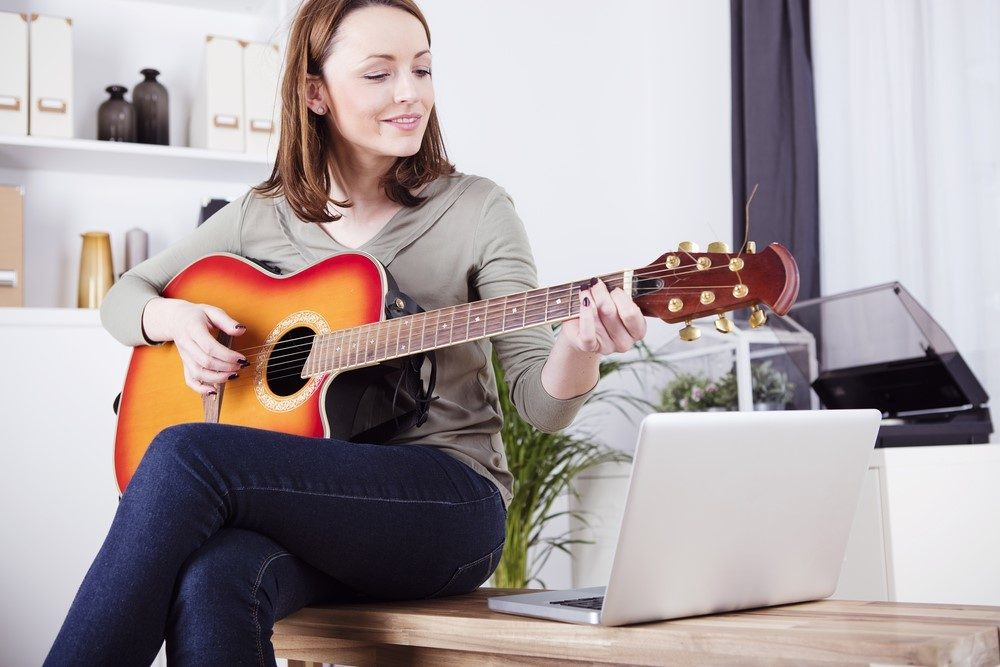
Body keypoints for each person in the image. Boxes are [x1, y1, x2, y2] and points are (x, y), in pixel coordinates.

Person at [45, 0, 647, 664]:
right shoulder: (262, 215)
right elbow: (123, 297)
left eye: (421, 68)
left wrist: (580, 347)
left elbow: (541, 403)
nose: (410, 94)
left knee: (190, 455)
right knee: (214, 575)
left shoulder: (478, 209)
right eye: (378, 74)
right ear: (314, 93)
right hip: (317, 507)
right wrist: (178, 319)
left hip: (448, 501)